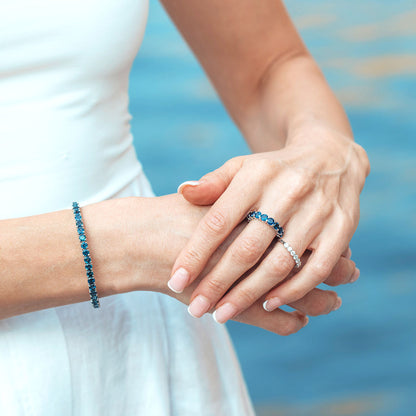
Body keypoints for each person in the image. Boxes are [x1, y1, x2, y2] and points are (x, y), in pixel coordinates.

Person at [0, 0, 369, 415]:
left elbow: (271, 67)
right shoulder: (148, 248)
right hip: (153, 273)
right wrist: (128, 246)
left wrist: (323, 148)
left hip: (142, 337)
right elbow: (136, 246)